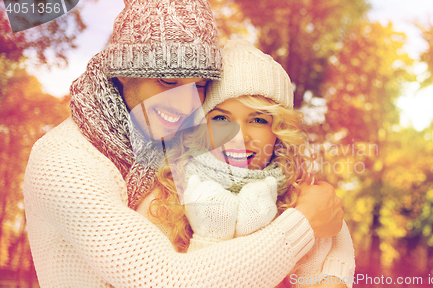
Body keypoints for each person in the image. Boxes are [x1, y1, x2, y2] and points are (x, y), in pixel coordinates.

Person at [23, 0, 344, 287]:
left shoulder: (169, 133)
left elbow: (325, 220)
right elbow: (166, 279)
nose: (186, 103)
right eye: (168, 80)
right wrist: (304, 223)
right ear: (122, 72)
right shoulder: (64, 162)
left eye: (201, 84)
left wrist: (330, 265)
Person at [138, 39, 355, 288]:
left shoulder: (307, 201)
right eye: (221, 118)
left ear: (279, 130)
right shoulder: (162, 203)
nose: (239, 137)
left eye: (258, 120)